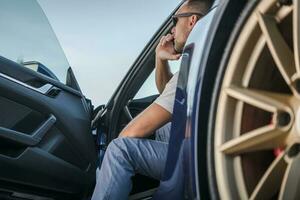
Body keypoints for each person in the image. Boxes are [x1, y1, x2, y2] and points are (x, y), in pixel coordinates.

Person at [91, 0, 212, 199]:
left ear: (191, 21)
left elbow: (131, 133)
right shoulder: (205, 56)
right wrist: (159, 58)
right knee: (162, 128)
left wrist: (103, 169)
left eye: (175, 21)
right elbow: (168, 91)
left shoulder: (192, 67)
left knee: (119, 150)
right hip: (201, 145)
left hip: (196, 158)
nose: (172, 30)